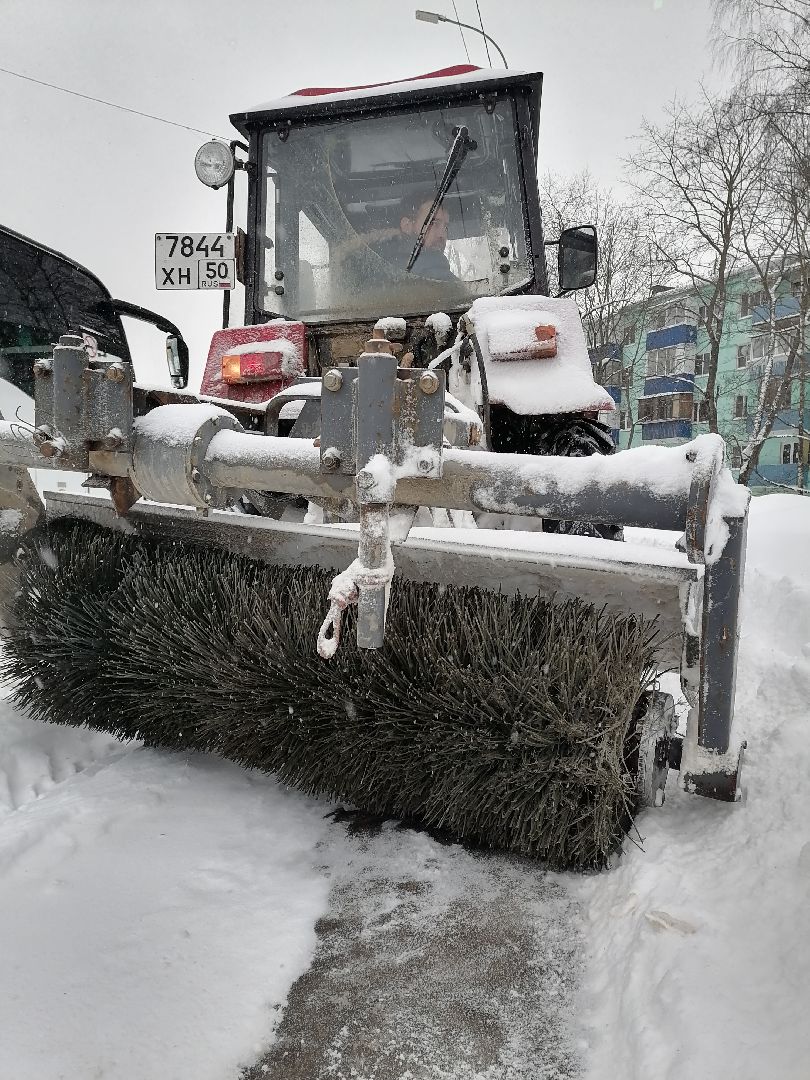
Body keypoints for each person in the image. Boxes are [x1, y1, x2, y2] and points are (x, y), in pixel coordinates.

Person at [372, 187, 456, 281]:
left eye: (446, 227)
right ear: (406, 225)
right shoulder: (432, 271)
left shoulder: (378, 268)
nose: (442, 235)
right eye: (433, 224)